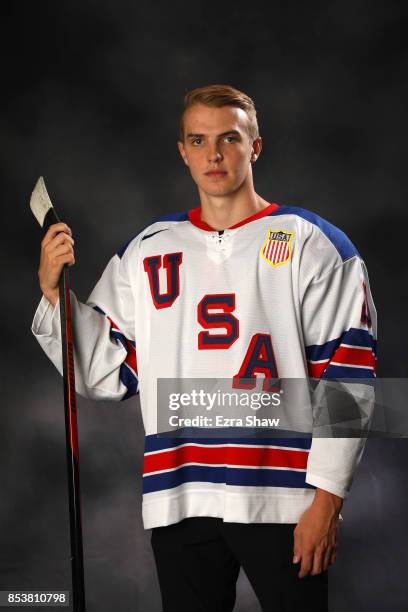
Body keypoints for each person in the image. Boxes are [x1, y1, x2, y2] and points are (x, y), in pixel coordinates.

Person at [32, 84, 377, 611]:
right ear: (182, 150)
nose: (213, 155)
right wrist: (55, 294)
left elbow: (348, 375)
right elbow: (106, 373)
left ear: (255, 146)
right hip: (181, 494)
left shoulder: (313, 242)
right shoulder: (148, 251)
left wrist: (327, 501)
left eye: (229, 139)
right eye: (198, 139)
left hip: (283, 497)